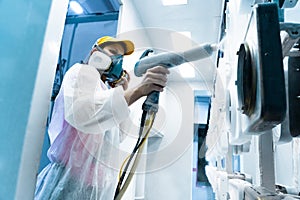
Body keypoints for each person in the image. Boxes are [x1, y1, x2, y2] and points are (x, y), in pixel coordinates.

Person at [34, 36, 170, 200]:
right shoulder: (82, 71)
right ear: (94, 52)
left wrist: (122, 92)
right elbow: (83, 113)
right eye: (112, 52)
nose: (116, 60)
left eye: (120, 57)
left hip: (94, 187)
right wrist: (137, 91)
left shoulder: (104, 91)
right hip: (67, 181)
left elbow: (118, 136)